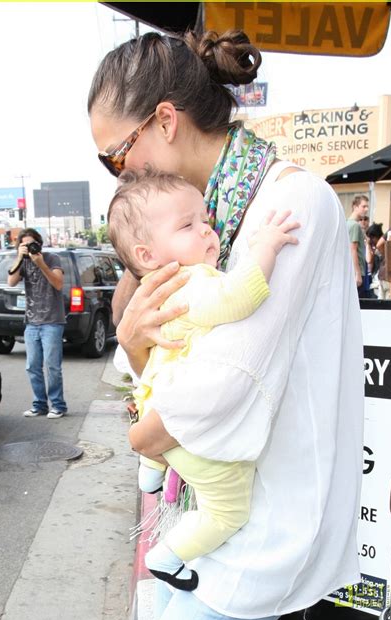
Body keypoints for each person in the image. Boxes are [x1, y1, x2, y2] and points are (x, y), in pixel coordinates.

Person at [88, 29, 364, 620]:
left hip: (261, 525)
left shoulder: (289, 203)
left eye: (115, 154)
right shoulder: (185, 223)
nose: (117, 175)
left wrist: (143, 431)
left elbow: (227, 381)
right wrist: (135, 351)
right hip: (199, 515)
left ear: (165, 120)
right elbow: (146, 356)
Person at [108, 167, 300, 590]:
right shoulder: (192, 283)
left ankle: (150, 471)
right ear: (146, 254)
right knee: (228, 512)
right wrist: (265, 248)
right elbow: (239, 298)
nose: (207, 233)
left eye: (206, 221)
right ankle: (169, 556)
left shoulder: (162, 286)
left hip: (157, 413)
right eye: (188, 225)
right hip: (186, 435)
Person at [7, 228, 67, 419]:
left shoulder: (52, 258)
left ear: (39, 243)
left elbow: (58, 283)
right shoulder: (22, 262)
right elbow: (11, 282)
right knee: (32, 366)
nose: (30, 247)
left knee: (52, 367)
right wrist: (19, 257)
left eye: (32, 243)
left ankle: (58, 405)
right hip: (31, 322)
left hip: (52, 321)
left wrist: (40, 263)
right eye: (25, 244)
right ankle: (39, 405)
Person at [347, 194, 369, 297]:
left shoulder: (348, 223)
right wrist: (358, 273)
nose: (366, 209)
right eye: (363, 206)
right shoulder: (354, 225)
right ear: (355, 207)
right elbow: (353, 249)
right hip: (357, 271)